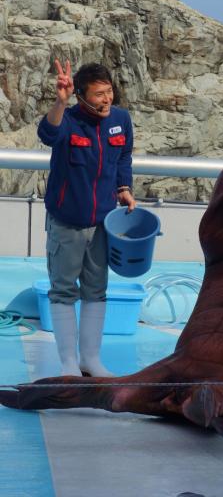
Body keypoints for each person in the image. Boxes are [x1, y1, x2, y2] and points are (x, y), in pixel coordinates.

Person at [37, 59, 136, 377]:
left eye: (109, 92)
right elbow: (47, 134)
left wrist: (124, 187)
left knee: (96, 289)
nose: (106, 99)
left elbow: (123, 156)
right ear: (81, 96)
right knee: (64, 290)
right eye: (98, 94)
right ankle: (68, 363)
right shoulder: (69, 120)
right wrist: (60, 101)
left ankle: (90, 359)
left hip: (103, 223)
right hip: (67, 221)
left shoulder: (120, 119)